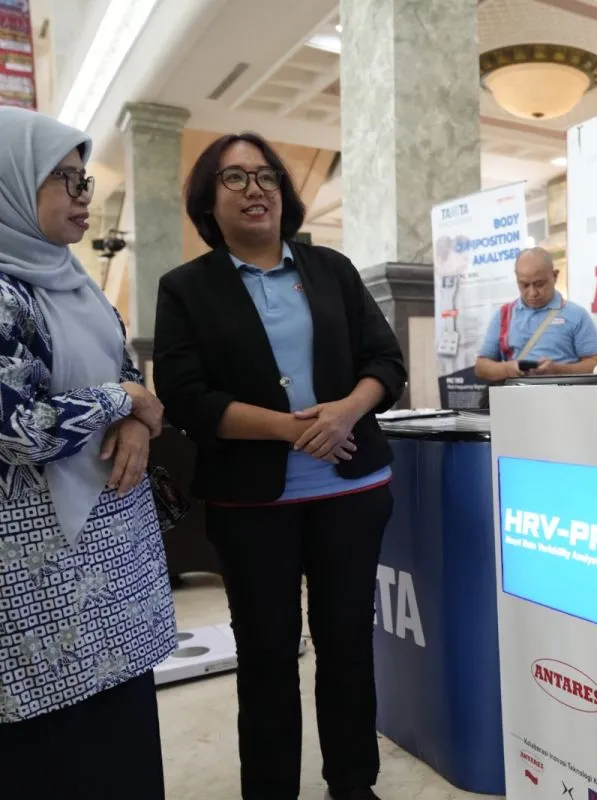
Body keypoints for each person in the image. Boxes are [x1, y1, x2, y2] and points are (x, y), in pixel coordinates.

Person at [152, 132, 407, 800]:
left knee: (347, 647)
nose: (255, 189)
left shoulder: (331, 270)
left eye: (266, 175)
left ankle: (354, 786)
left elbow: (386, 362)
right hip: (251, 503)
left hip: (351, 489)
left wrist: (346, 412)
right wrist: (289, 430)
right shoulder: (186, 288)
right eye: (234, 178)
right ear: (207, 199)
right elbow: (185, 396)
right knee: (266, 656)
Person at [0, 108, 174, 799]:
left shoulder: (79, 286)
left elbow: (131, 380)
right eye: (64, 179)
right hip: (39, 577)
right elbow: (17, 430)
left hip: (117, 558)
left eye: (85, 180)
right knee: (59, 758)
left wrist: (135, 420)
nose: (82, 195)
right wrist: (118, 403)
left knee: (123, 743)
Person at [474, 247, 597, 381]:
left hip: (563, 392)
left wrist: (558, 370)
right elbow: (481, 366)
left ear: (554, 276)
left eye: (539, 284)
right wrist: (507, 369)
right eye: (524, 285)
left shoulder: (577, 315)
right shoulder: (503, 315)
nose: (532, 293)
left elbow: (596, 363)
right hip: (516, 393)